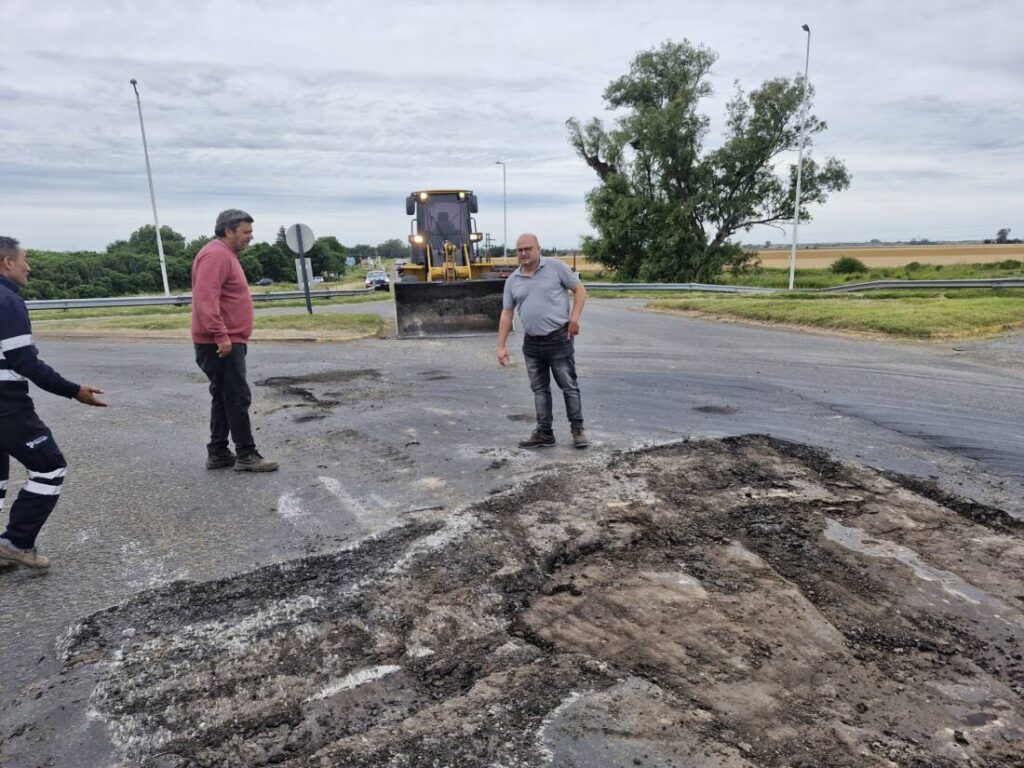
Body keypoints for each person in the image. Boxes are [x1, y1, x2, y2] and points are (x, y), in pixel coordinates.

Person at [0, 236, 107, 569]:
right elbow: (25, 362)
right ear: (7, 263)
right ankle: (16, 543)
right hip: (6, 406)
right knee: (49, 466)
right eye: (24, 260)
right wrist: (73, 390)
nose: (28, 267)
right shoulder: (7, 301)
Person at [191, 210, 278, 472]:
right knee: (237, 397)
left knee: (223, 396)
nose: (251, 237)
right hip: (220, 342)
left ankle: (218, 452)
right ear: (229, 231)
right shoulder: (216, 255)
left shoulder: (224, 254)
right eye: (246, 232)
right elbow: (206, 299)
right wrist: (221, 335)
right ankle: (246, 454)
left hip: (226, 339)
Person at [497, 233, 589, 449]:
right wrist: (501, 346)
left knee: (569, 386)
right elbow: (507, 313)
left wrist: (574, 318)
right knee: (539, 389)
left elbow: (579, 289)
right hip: (531, 344)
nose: (523, 253)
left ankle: (577, 429)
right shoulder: (513, 280)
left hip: (559, 339)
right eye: (519, 250)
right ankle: (544, 432)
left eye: (527, 249)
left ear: (538, 248)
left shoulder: (556, 268)